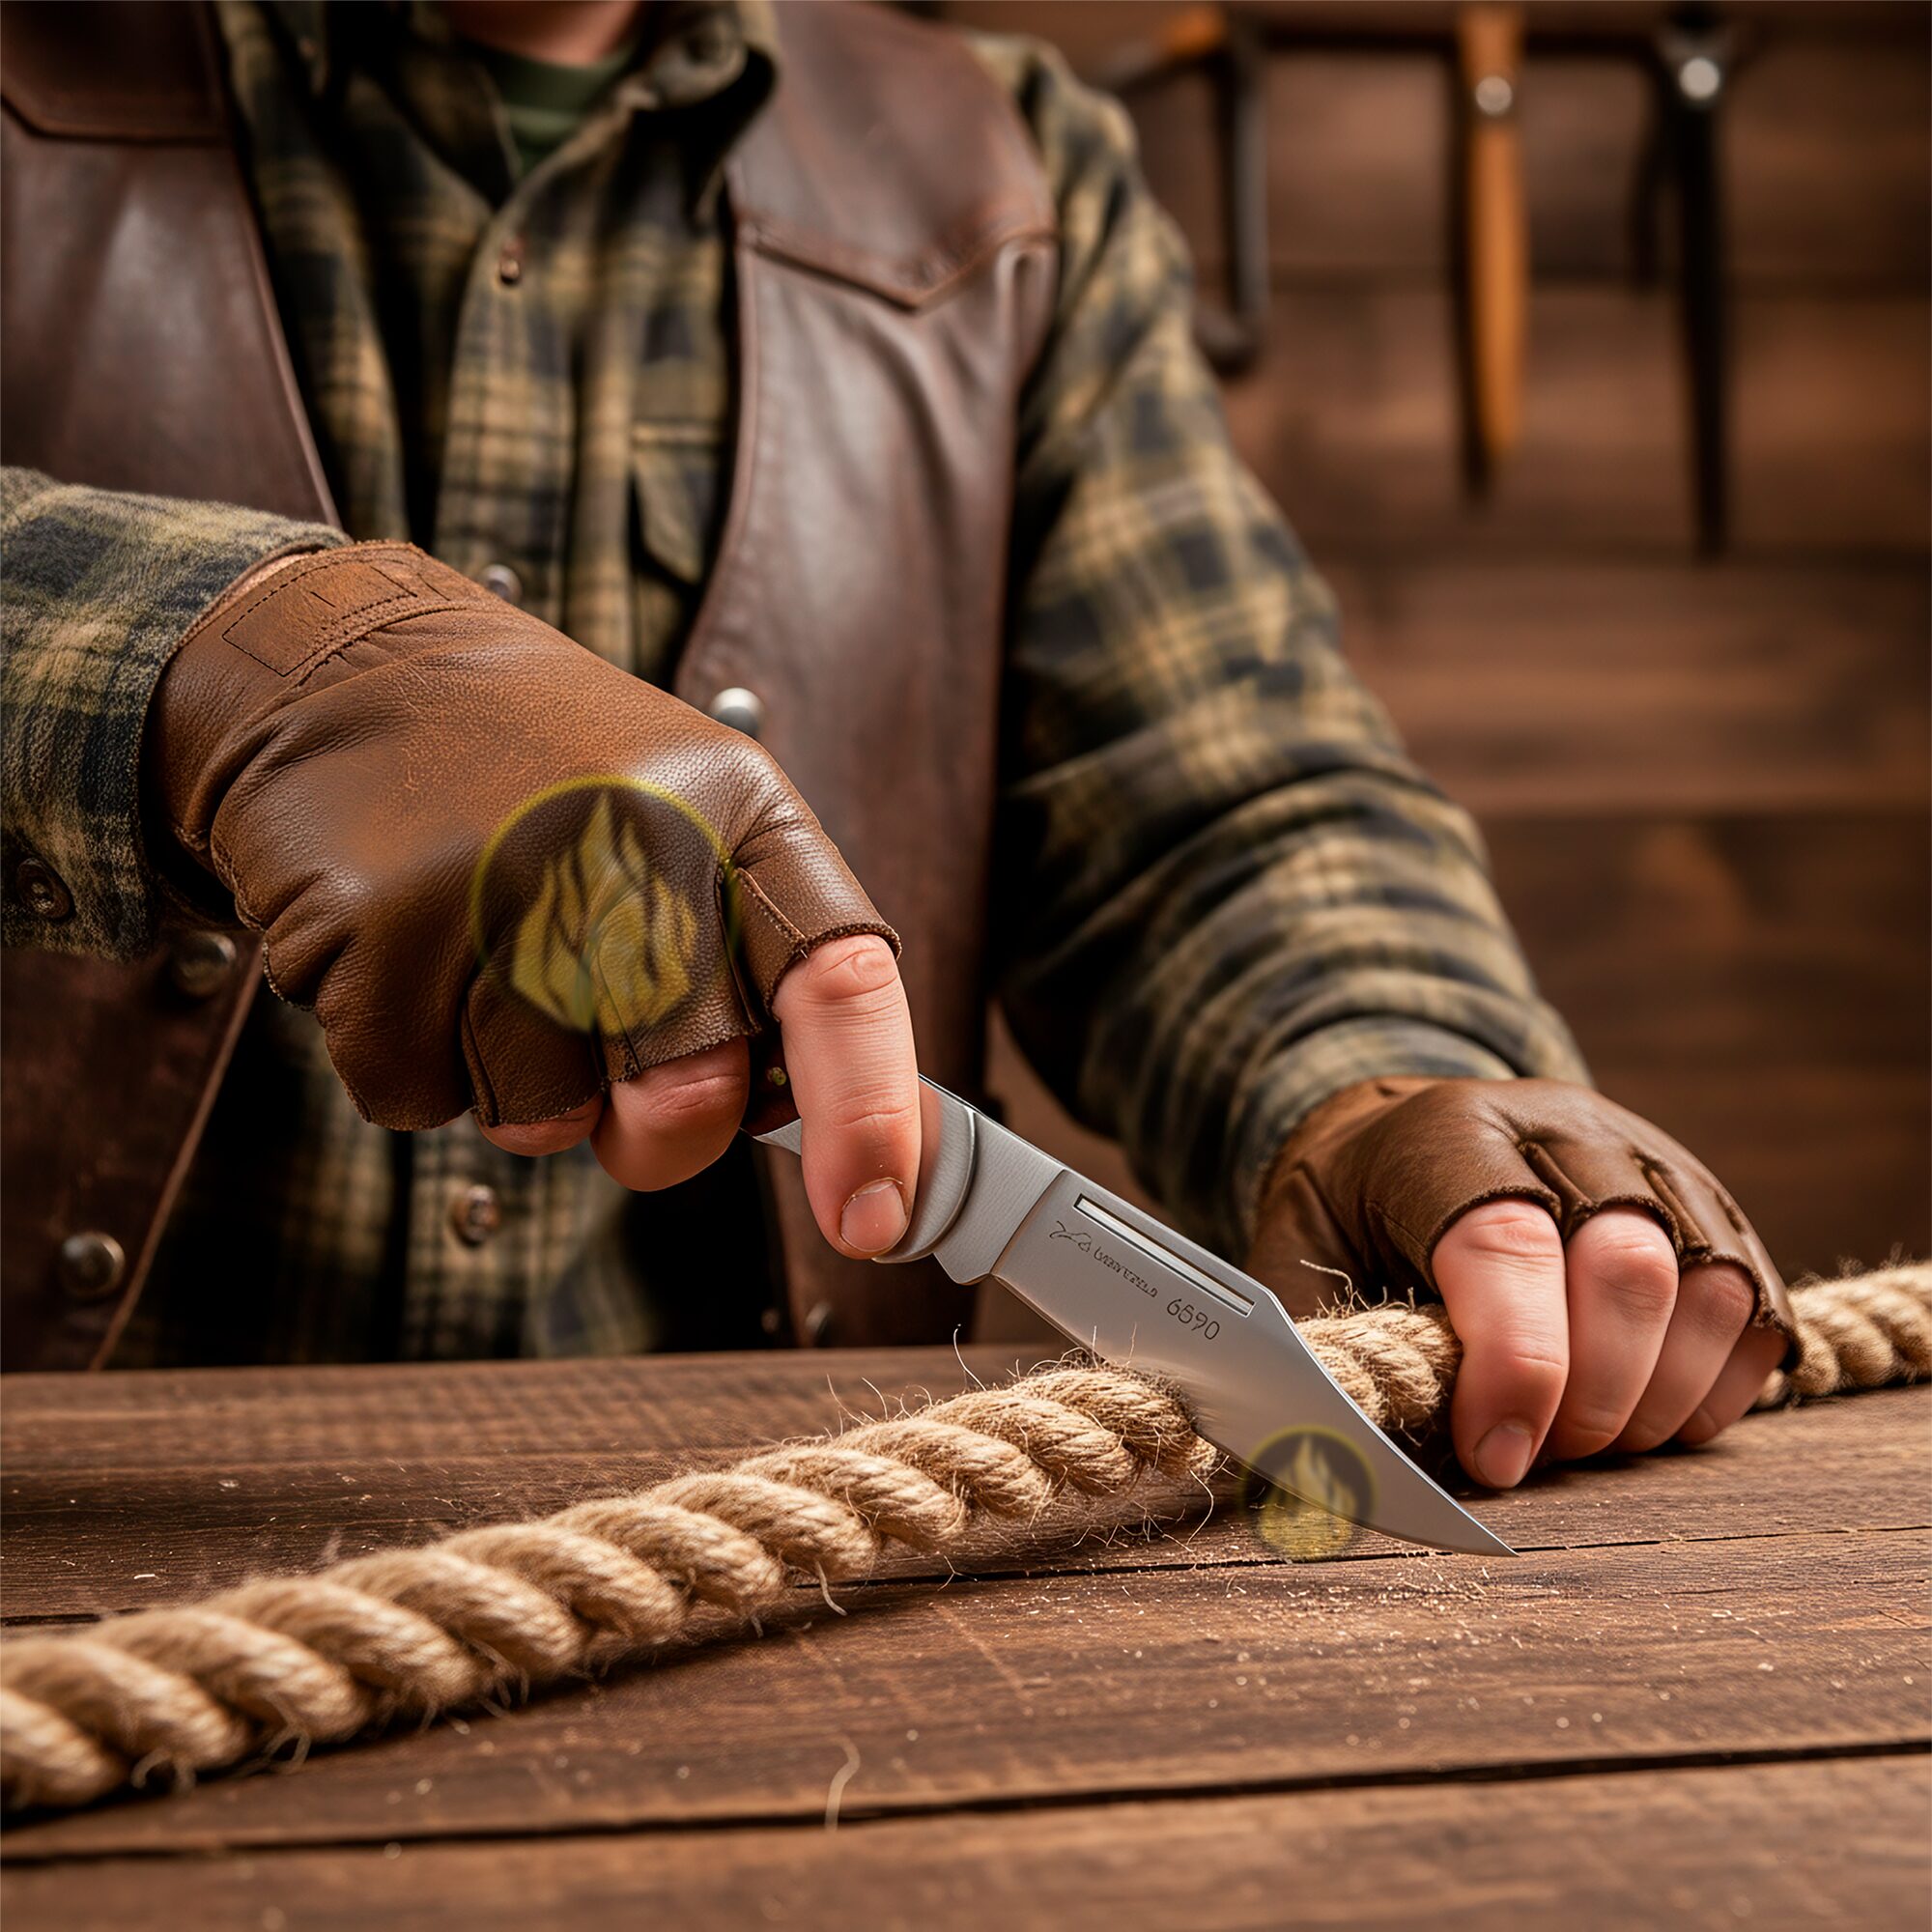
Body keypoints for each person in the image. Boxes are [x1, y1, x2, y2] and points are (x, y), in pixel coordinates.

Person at [0, 0, 1791, 1494]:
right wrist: (230, 668)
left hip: (771, 1602)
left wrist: (1394, 1076)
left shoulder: (1002, 179)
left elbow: (1219, 811)